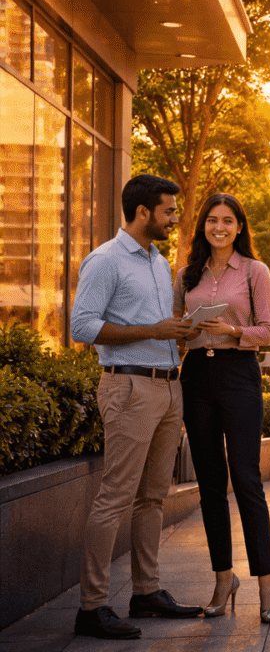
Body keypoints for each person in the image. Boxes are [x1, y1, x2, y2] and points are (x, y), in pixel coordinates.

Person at [68, 175, 201, 639]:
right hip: (128, 388)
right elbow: (82, 326)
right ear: (143, 212)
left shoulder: (158, 261)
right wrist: (156, 331)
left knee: (153, 497)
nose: (173, 219)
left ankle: (146, 592)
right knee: (115, 497)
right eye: (168, 211)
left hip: (167, 388)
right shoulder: (105, 260)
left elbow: (157, 325)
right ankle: (92, 606)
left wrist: (179, 331)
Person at [174, 193, 270, 624]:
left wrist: (234, 330)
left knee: (247, 479)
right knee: (210, 486)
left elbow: (269, 331)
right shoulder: (185, 275)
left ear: (239, 227)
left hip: (239, 376)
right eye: (212, 220)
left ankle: (267, 586)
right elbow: (175, 332)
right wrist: (185, 332)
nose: (219, 227)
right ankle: (223, 578)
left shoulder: (256, 271)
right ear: (204, 225)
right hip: (196, 374)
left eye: (228, 221)